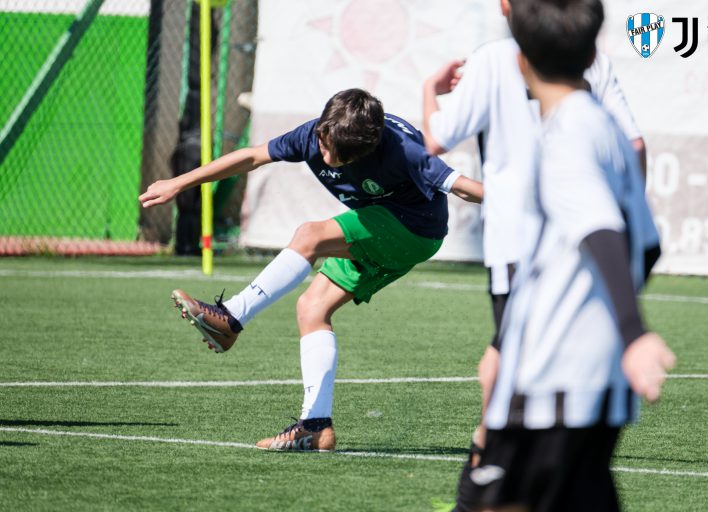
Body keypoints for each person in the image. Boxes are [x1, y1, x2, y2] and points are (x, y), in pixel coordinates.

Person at [139, 88, 483, 452]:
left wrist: (520, 203)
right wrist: (179, 182)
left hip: (415, 229)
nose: (326, 157)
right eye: (324, 144)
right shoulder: (316, 132)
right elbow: (252, 156)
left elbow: (464, 188)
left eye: (340, 155)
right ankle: (316, 427)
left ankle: (231, 318)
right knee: (312, 308)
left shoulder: (404, 150)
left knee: (310, 235)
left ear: (369, 147)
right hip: (383, 228)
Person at [421, 2, 649, 509]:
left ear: (521, 60)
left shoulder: (565, 134)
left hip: (552, 376)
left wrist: (635, 332)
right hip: (599, 374)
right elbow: (643, 244)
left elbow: (601, 228)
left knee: (499, 494)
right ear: (591, 55)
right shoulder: (610, 133)